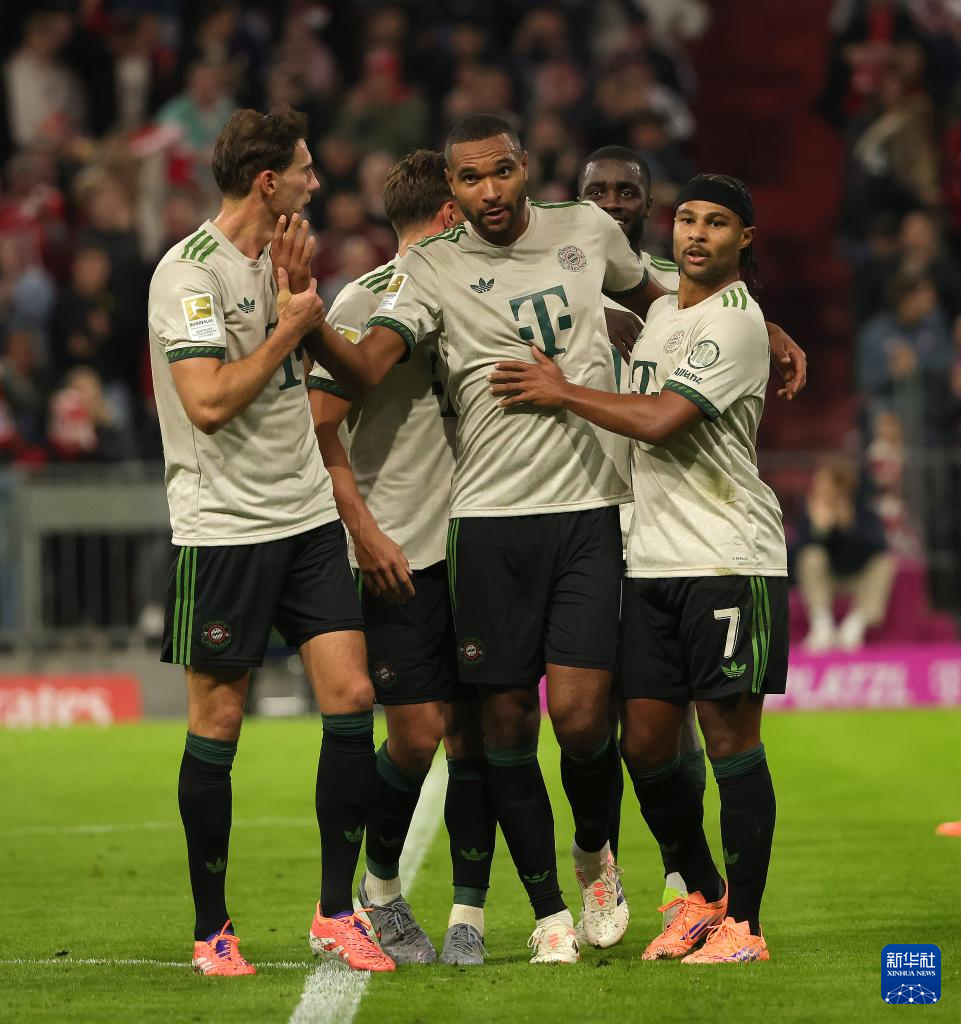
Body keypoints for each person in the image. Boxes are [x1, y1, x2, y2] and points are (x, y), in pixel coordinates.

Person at [307, 113, 668, 965]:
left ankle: (580, 860)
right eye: (469, 180)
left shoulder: (585, 231)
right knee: (475, 728)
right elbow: (355, 378)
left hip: (582, 509)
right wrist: (304, 315)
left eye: (500, 172)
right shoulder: (417, 274)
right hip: (464, 529)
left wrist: (755, 324)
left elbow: (667, 290)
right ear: (450, 194)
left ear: (524, 167)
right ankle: (521, 913)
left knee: (576, 719)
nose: (488, 192)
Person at [488, 173, 789, 964]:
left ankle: (745, 926)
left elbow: (660, 420)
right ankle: (701, 893)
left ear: (743, 240)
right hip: (650, 561)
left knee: (728, 741)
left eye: (716, 222)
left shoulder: (736, 322)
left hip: (726, 556)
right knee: (647, 746)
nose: (696, 234)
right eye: (686, 219)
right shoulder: (660, 316)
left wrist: (561, 391)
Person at [147, 106, 393, 976]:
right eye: (304, 170)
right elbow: (208, 403)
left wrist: (303, 302)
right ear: (267, 182)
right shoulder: (190, 274)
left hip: (306, 518)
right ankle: (212, 929)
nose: (315, 183)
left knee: (352, 695)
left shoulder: (282, 266)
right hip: (224, 528)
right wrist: (291, 321)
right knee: (219, 720)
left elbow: (345, 377)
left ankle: (336, 912)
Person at [307, 149, 495, 966]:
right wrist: (364, 531)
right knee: (416, 735)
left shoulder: (483, 290)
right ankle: (379, 888)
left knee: (478, 736)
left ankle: (469, 914)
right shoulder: (366, 300)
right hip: (403, 550)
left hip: (482, 540)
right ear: (449, 213)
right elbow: (319, 422)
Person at [578, 145, 707, 921]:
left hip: (664, 519)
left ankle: (681, 875)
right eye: (596, 191)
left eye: (625, 191)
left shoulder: (677, 288)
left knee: (669, 710)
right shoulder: (543, 281)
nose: (611, 203)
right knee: (589, 714)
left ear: (647, 204)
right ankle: (600, 866)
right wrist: (589, 312)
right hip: (581, 518)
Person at [793, 461, 895, 651]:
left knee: (884, 563)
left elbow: (879, 546)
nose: (819, 488)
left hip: (857, 577)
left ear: (840, 487)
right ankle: (822, 626)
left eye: (824, 483)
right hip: (828, 579)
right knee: (811, 556)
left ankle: (855, 626)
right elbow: (796, 554)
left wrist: (847, 526)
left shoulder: (862, 509)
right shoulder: (812, 512)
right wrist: (819, 530)